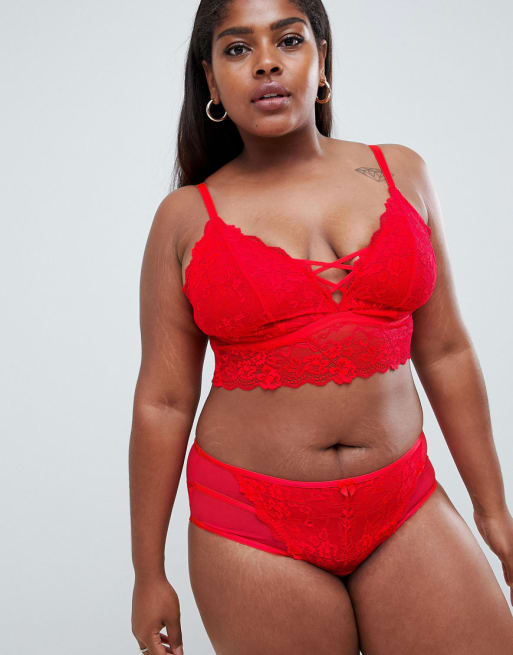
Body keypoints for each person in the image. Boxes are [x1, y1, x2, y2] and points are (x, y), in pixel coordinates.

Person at [129, 1, 513, 653]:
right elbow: (163, 402)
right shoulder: (185, 217)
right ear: (211, 80)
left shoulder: (400, 172)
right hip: (250, 524)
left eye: (288, 39)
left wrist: (492, 508)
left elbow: (446, 350)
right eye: (237, 49)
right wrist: (148, 573)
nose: (266, 63)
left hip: (403, 501)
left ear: (322, 57)